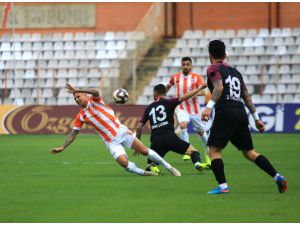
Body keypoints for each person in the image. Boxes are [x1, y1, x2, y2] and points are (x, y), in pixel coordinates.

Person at [201, 40, 287, 194]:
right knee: (250, 152)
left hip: (225, 112)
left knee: (214, 150)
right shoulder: (236, 72)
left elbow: (219, 87)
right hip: (240, 112)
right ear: (225, 53)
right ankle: (277, 177)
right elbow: (246, 96)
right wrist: (257, 118)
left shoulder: (213, 68)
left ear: (210, 54)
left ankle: (223, 187)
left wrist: (208, 108)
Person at [50, 82, 181, 177]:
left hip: (121, 132)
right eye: (75, 99)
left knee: (144, 151)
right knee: (124, 163)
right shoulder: (81, 116)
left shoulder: (95, 100)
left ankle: (169, 167)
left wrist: (78, 89)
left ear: (85, 95)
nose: (77, 99)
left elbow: (95, 91)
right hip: (110, 142)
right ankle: (145, 173)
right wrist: (63, 147)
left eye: (78, 96)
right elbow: (74, 133)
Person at [135, 83, 207, 173]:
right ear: (165, 93)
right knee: (194, 152)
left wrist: (137, 144)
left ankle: (153, 167)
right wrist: (199, 88)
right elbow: (185, 96)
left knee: (149, 167)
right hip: (170, 137)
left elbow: (139, 127)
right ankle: (197, 163)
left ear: (155, 93)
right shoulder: (169, 102)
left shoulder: (148, 108)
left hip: (156, 141)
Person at [166, 57, 211, 168]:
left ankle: (208, 155)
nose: (185, 66)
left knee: (202, 133)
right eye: (183, 64)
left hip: (195, 110)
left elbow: (203, 92)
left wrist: (191, 94)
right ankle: (186, 149)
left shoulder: (196, 77)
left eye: (187, 64)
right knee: (183, 124)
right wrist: (162, 96)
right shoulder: (175, 77)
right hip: (181, 107)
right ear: (181, 66)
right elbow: (167, 86)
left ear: (191, 66)